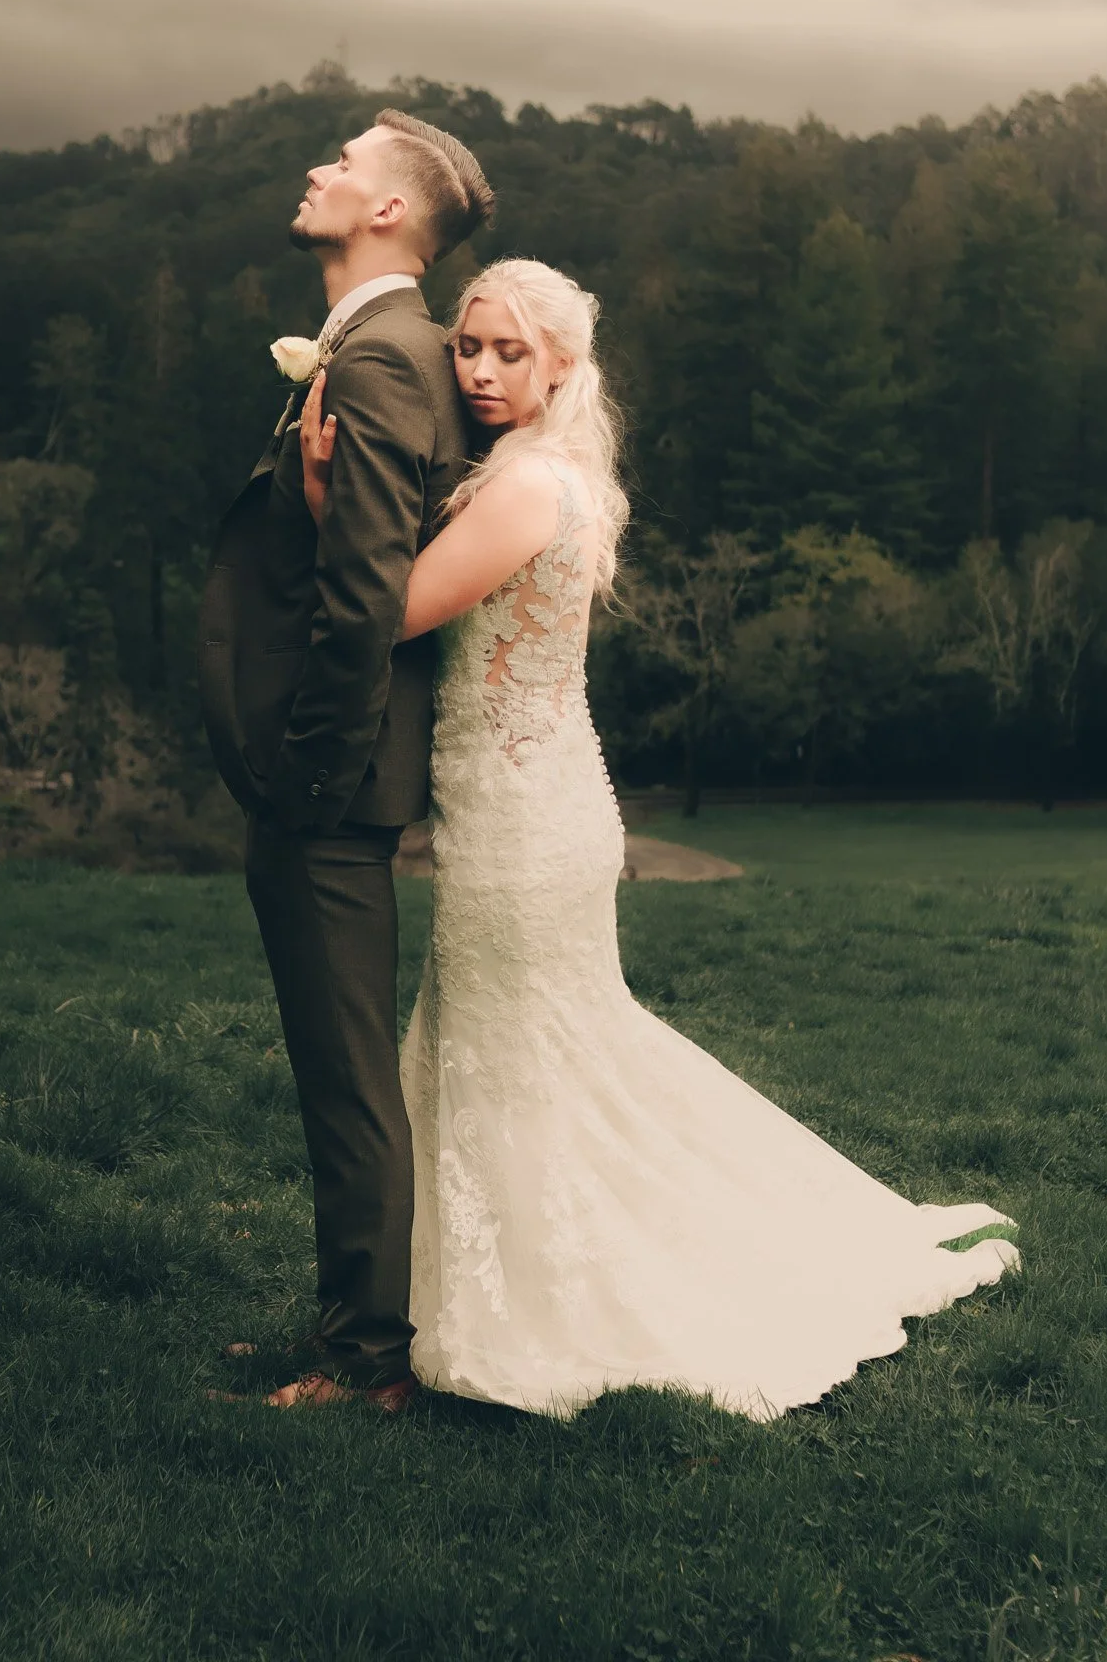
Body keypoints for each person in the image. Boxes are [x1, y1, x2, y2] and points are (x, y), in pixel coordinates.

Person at [298, 256, 1019, 1420]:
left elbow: (392, 613)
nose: (478, 369)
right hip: (533, 801)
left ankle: (532, 1303)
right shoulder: (550, 473)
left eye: (507, 352)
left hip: (525, 818)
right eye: (467, 347)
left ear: (562, 368)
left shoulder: (529, 487)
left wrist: (325, 489)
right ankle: (438, 1292)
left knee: (517, 1052)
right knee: (538, 1044)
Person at [197, 109, 494, 1411]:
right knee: (343, 1070)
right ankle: (347, 1321)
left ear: (387, 214)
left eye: (343, 163)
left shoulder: (378, 360)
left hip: (328, 784)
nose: (316, 168)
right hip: (335, 779)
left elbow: (364, 597)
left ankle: (369, 1361)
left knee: (346, 1080)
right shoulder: (395, 348)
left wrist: (305, 778)